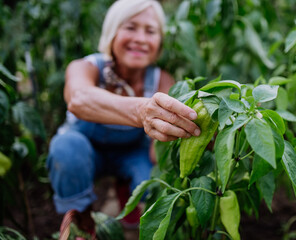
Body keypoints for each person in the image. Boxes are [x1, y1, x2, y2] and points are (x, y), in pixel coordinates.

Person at [46, 0, 201, 236]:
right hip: (87, 150)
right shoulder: (87, 67)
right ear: (111, 33)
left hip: (130, 152)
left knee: (154, 180)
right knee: (66, 149)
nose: (140, 38)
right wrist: (141, 110)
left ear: (159, 43)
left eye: (150, 31)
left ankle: (129, 192)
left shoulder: (161, 81)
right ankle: (82, 219)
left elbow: (157, 151)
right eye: (130, 28)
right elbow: (79, 99)